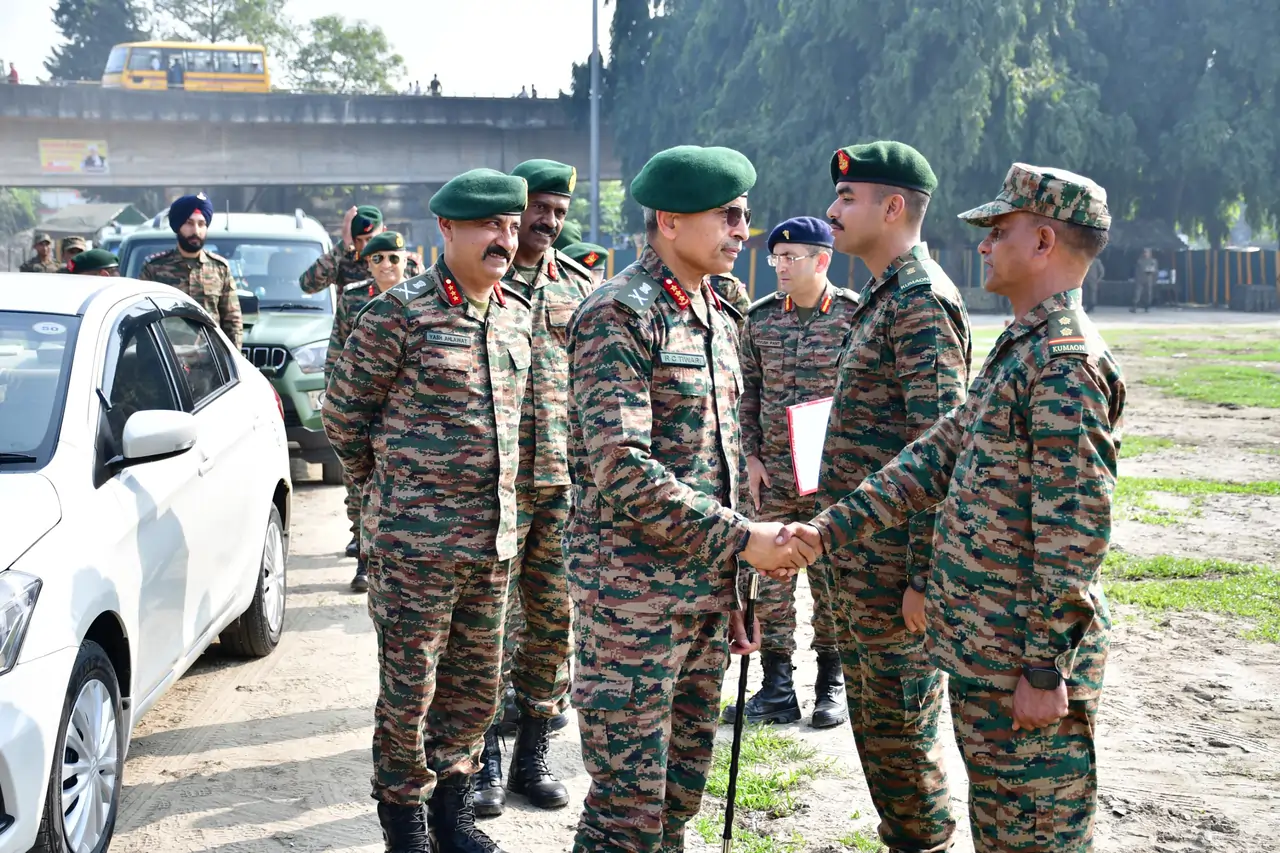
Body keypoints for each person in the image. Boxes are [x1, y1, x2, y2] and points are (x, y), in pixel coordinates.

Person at [801, 162, 1124, 853]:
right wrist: (823, 532)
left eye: (998, 230)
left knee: (1034, 837)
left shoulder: (1064, 362)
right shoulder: (1023, 347)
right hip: (988, 652)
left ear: (1043, 242)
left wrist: (1045, 667)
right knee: (1001, 830)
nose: (982, 244)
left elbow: (1074, 532)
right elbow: (930, 457)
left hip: (1022, 664)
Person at [564, 144, 816, 853]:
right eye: (729, 215)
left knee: (677, 799)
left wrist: (731, 592)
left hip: (703, 601)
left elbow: (722, 462)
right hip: (632, 608)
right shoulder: (619, 314)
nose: (745, 230)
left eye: (744, 216)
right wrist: (743, 540)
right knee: (626, 814)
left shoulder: (717, 310)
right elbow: (621, 466)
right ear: (670, 222)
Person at [323, 167, 533, 853]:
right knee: (410, 691)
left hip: (494, 544)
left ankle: (452, 812)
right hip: (415, 549)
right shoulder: (400, 313)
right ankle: (404, 822)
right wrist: (385, 494)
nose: (501, 239)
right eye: (486, 226)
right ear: (446, 228)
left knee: (475, 692)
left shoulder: (515, 315)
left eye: (509, 225)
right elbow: (343, 414)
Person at [818, 140, 972, 853]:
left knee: (904, 746)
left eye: (848, 198)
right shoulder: (884, 296)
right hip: (862, 570)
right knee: (882, 738)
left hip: (894, 581)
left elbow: (939, 451)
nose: (832, 209)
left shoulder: (919, 301)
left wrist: (921, 576)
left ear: (894, 207)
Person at [473, 159, 595, 818]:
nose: (548, 222)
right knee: (491, 625)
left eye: (557, 211)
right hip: (496, 489)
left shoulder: (581, 288)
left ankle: (533, 754)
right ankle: (486, 756)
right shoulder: (482, 284)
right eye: (538, 210)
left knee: (553, 625)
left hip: (564, 487)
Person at [721, 215, 856, 731]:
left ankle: (831, 686)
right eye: (776, 258)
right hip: (774, 471)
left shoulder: (852, 315)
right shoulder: (760, 320)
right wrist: (751, 457)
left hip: (832, 473)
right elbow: (746, 395)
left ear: (822, 261)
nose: (780, 266)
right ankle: (777, 688)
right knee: (770, 579)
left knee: (831, 580)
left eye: (791, 258)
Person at [325, 230, 412, 594]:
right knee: (360, 487)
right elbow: (336, 351)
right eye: (378, 259)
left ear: (405, 259)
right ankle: (364, 559)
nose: (387, 265)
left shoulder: (421, 295)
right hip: (365, 403)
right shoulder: (355, 299)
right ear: (367, 263)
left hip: (405, 412)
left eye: (393, 258)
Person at [138, 193, 242, 347]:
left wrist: (234, 362)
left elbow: (232, 321)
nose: (196, 230)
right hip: (168, 361)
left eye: (201, 224)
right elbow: (142, 317)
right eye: (189, 223)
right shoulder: (154, 267)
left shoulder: (219, 268)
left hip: (210, 361)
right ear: (178, 226)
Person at [1132, 247, 1157, 312]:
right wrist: (1136, 279)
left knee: (1148, 294)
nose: (1146, 254)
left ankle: (1147, 307)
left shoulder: (1153, 261)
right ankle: (1134, 306)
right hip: (1140, 279)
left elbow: (1155, 271)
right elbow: (1136, 271)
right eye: (1145, 252)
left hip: (1149, 279)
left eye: (1147, 252)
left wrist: (1154, 280)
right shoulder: (1140, 261)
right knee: (1137, 293)